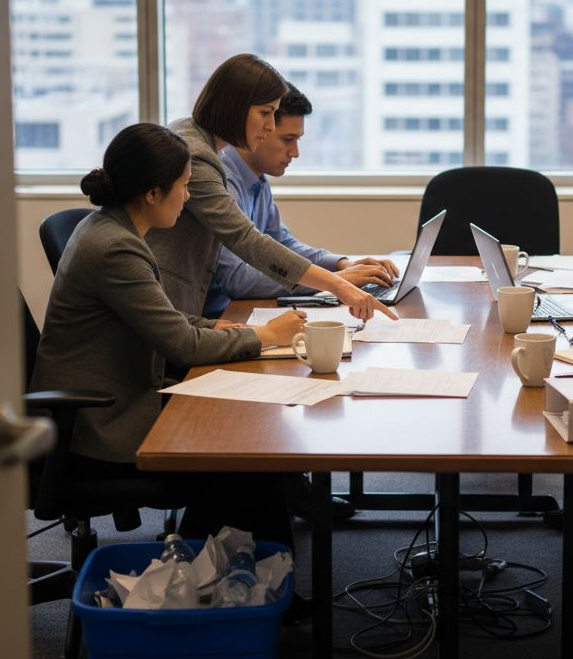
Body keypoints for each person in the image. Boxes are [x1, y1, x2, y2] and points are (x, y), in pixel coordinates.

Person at [30, 123, 306, 546]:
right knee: (249, 454)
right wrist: (266, 336)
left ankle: (227, 562)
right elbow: (182, 345)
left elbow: (166, 318)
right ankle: (215, 567)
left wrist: (218, 326)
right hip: (99, 428)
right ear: (153, 193)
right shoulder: (116, 249)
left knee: (250, 436)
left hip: (113, 402)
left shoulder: (113, 230)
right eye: (184, 186)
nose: (189, 197)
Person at [147, 54, 395, 326]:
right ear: (236, 107)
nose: (270, 125)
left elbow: (278, 239)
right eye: (265, 113)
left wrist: (340, 266)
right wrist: (336, 283)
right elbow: (245, 240)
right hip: (174, 314)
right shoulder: (197, 157)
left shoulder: (232, 160)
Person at [202, 83, 399, 319]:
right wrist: (332, 281)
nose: (295, 152)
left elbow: (283, 243)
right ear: (261, 129)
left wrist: (341, 264)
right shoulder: (221, 180)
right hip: (215, 319)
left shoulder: (257, 178)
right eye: (288, 139)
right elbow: (237, 280)